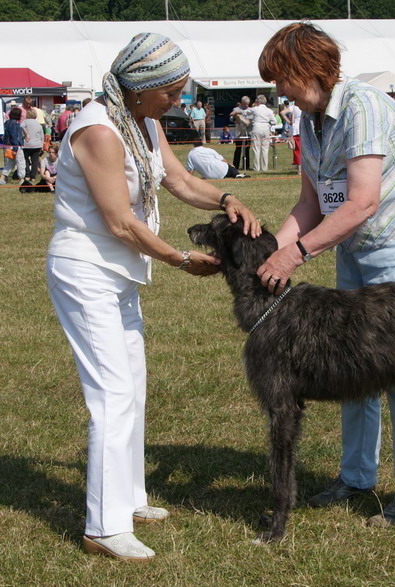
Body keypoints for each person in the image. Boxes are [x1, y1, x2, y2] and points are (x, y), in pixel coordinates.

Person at [45, 32, 260, 562]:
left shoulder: (142, 120)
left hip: (119, 273)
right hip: (86, 269)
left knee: (132, 387)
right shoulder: (98, 129)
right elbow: (119, 221)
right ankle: (103, 525)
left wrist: (228, 197)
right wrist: (180, 259)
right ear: (140, 86)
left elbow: (181, 180)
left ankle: (130, 498)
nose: (178, 101)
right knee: (112, 394)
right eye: (171, 92)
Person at [256, 23, 395, 527]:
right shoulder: (309, 120)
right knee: (351, 365)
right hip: (351, 240)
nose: (279, 92)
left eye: (282, 79)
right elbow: (312, 202)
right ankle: (356, 476)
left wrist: (296, 256)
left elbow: (362, 201)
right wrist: (272, 250)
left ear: (311, 70)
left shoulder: (364, 108)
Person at [246, 94, 276, 172]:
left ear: (258, 101)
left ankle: (256, 167)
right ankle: (264, 167)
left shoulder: (255, 109)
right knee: (265, 149)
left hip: (256, 127)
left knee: (256, 148)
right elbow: (274, 121)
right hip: (266, 128)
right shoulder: (269, 110)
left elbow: (246, 112)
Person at [0, 107, 25, 185]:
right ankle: (22, 179)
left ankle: (2, 177)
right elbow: (14, 136)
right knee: (21, 162)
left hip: (8, 146)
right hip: (14, 146)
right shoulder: (14, 123)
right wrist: (15, 149)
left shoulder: (7, 123)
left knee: (10, 163)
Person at [21, 108, 45, 181]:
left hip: (27, 144)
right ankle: (33, 176)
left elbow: (21, 126)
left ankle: (27, 174)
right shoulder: (38, 123)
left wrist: (26, 134)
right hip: (37, 144)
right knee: (35, 161)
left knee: (25, 159)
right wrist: (42, 146)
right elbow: (42, 136)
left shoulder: (25, 121)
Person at [230, 96, 252, 170]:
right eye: (245, 104)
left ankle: (246, 166)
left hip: (248, 132)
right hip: (239, 132)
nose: (246, 105)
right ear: (242, 103)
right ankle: (235, 166)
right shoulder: (236, 109)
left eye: (247, 104)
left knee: (246, 150)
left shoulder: (250, 110)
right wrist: (235, 119)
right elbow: (231, 118)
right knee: (238, 149)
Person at [289, 100, 302, 173]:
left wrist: (289, 121)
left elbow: (282, 112)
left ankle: (299, 169)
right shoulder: (304, 105)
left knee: (297, 150)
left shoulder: (293, 107)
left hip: (296, 129)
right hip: (303, 128)